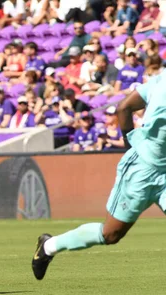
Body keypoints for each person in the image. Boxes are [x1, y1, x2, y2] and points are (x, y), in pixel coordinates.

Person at [28, 71, 166, 278]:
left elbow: (125, 107)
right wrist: (133, 147)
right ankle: (49, 246)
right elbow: (123, 108)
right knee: (110, 234)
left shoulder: (161, 78)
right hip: (142, 170)